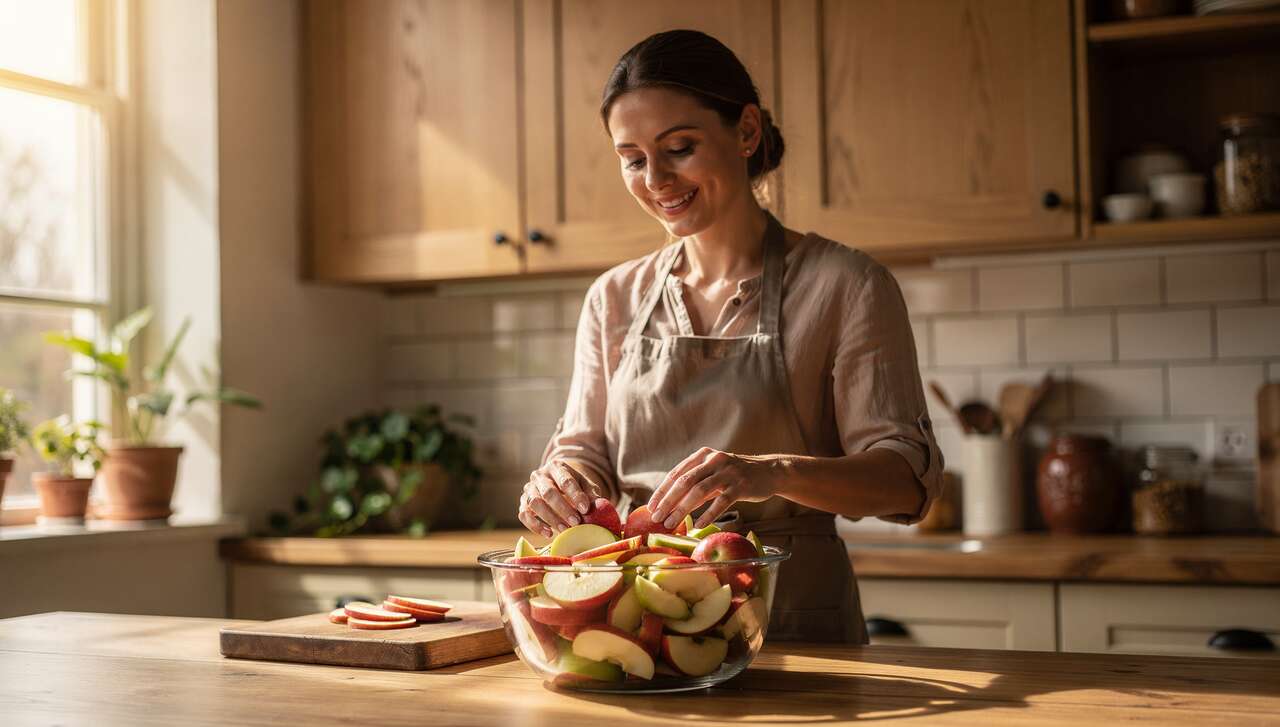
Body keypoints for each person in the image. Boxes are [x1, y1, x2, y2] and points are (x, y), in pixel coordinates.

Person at [517, 29, 943, 643]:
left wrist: (772, 473)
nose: (656, 178)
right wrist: (560, 485)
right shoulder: (613, 298)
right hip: (640, 621)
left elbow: (905, 483)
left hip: (793, 620)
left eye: (679, 147)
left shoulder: (847, 285)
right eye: (633, 159)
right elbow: (585, 452)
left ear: (746, 131)